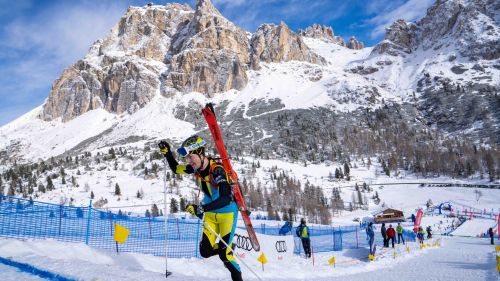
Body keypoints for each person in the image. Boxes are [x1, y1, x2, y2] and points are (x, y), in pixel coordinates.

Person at [159, 136, 242, 281]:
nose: (189, 161)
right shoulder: (195, 168)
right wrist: (167, 153)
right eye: (187, 158)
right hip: (210, 215)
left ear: (200, 153)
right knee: (205, 252)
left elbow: (225, 198)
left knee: (225, 256)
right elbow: (176, 169)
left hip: (227, 215)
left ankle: (229, 257)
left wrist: (201, 209)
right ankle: (227, 247)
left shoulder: (217, 170)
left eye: (191, 157)